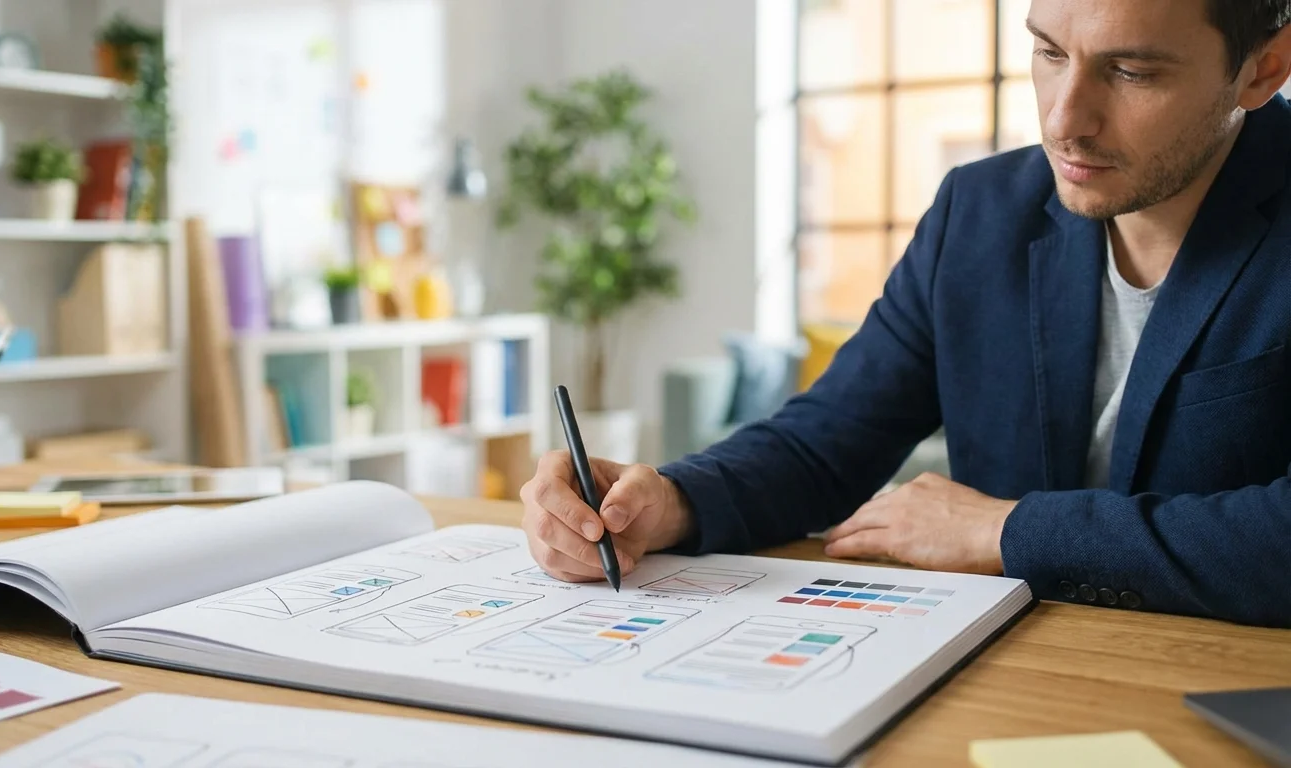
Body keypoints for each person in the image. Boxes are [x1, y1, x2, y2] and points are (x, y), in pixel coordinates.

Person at [519, 0, 1291, 629]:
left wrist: (1003, 531)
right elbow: (829, 439)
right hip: (1003, 664)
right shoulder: (979, 211)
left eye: (1129, 71)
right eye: (1049, 52)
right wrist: (671, 501)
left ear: (1263, 69)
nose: (1063, 119)